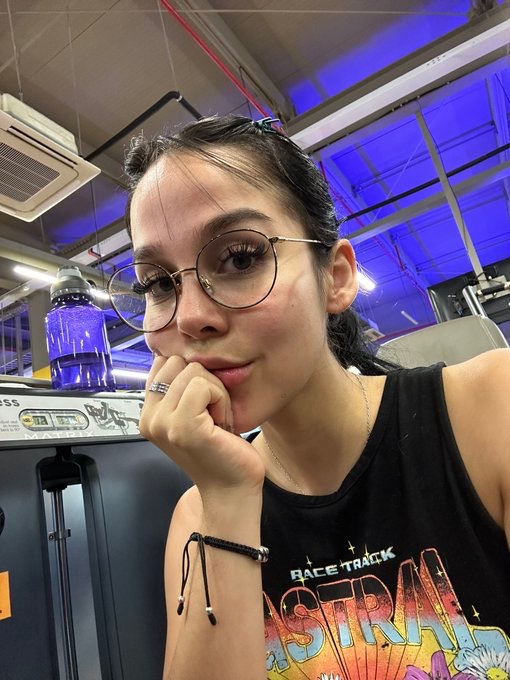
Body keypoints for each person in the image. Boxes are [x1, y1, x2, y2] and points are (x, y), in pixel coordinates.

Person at [108, 115, 510, 680]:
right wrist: (227, 500)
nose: (191, 317)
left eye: (241, 257)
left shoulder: (492, 406)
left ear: (336, 277)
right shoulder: (198, 514)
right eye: (157, 283)